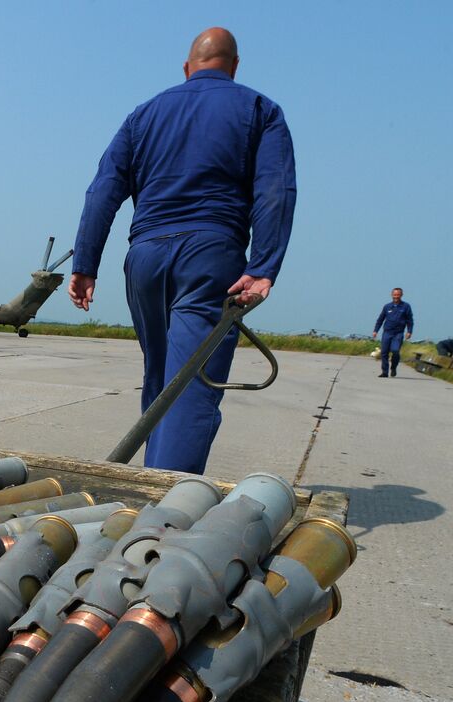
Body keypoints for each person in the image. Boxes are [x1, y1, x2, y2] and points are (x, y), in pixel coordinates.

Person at [68, 27, 296, 474]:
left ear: (187, 68)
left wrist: (85, 262)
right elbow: (275, 190)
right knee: (189, 390)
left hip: (146, 258)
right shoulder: (260, 109)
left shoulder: (143, 114)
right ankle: (164, 520)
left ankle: (147, 491)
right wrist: (264, 265)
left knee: (161, 383)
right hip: (211, 256)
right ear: (234, 66)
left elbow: (102, 191)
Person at [371, 287, 414, 377]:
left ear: (401, 295)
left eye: (398, 294)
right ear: (391, 295)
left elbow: (410, 320)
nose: (396, 296)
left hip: (398, 333)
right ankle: (385, 372)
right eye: (395, 294)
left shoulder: (406, 306)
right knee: (384, 352)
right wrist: (375, 330)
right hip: (387, 332)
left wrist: (409, 331)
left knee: (395, 351)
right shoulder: (387, 306)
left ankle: (393, 367)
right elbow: (380, 319)